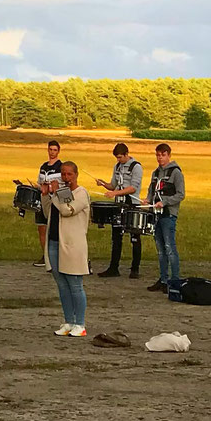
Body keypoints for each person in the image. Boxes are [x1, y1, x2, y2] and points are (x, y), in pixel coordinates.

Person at [43, 161, 92, 337]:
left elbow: (66, 210)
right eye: (63, 174)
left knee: (75, 285)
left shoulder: (81, 194)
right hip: (55, 243)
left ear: (76, 175)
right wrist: (45, 195)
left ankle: (80, 323)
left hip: (73, 245)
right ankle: (68, 321)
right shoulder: (60, 194)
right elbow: (49, 212)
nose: (65, 178)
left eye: (69, 174)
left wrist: (56, 193)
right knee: (62, 286)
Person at [97, 142, 144, 278]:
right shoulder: (117, 167)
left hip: (132, 204)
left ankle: (135, 269)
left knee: (134, 236)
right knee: (116, 236)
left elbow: (133, 188)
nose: (118, 160)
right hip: (119, 204)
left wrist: (115, 193)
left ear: (126, 154)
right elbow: (113, 186)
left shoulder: (136, 167)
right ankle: (113, 268)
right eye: (117, 158)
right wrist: (104, 184)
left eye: (120, 157)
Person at [145, 143, 185, 292]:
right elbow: (151, 190)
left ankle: (174, 280)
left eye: (162, 155)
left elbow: (181, 194)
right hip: (156, 215)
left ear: (169, 155)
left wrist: (165, 202)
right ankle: (163, 279)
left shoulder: (176, 172)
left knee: (169, 248)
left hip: (169, 215)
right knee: (160, 249)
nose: (160, 158)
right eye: (157, 155)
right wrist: (148, 200)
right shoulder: (155, 173)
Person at [34, 140, 63, 268]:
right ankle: (44, 255)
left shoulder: (61, 167)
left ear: (58, 151)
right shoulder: (43, 167)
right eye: (50, 149)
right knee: (41, 227)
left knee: (53, 228)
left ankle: (55, 256)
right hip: (43, 198)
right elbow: (40, 182)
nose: (52, 152)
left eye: (55, 150)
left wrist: (52, 188)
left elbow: (63, 185)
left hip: (55, 200)